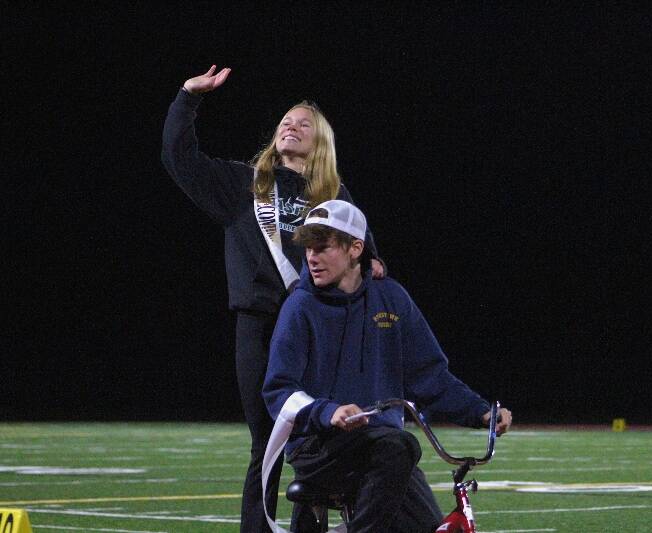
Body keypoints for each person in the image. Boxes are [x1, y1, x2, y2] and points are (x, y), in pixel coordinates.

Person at [161, 66, 385, 533]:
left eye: (304, 124)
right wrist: (187, 98)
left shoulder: (335, 195)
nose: (291, 126)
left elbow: (365, 257)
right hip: (260, 324)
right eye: (286, 120)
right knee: (265, 441)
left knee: (316, 435)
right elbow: (179, 158)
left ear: (319, 141)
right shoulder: (243, 185)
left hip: (317, 328)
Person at [262, 200, 512, 533]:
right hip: (319, 447)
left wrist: (482, 412)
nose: (312, 257)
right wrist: (327, 411)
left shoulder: (392, 298)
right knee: (401, 445)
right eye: (308, 247)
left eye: (323, 247)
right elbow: (279, 390)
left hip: (385, 451)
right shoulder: (300, 306)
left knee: (427, 523)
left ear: (355, 248)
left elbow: (430, 376)